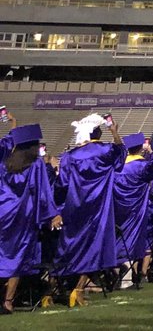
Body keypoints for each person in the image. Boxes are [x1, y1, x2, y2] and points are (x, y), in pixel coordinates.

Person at [56, 112, 125, 308]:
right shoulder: (104, 150)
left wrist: (59, 208)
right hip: (97, 206)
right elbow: (120, 153)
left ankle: (52, 290)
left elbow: (61, 185)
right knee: (92, 246)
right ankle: (78, 289)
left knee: (69, 245)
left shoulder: (69, 156)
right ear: (98, 134)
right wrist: (114, 133)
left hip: (73, 205)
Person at [1, 122, 59, 314]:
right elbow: (43, 192)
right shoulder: (36, 166)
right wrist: (53, 214)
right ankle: (8, 301)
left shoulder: (5, 164)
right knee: (16, 258)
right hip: (21, 217)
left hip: (3, 212)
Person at [113, 133, 153, 285]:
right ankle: (126, 278)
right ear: (141, 148)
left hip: (118, 207)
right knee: (131, 239)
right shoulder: (142, 166)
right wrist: (151, 153)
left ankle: (118, 271)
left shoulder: (119, 166)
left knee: (118, 237)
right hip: (136, 207)